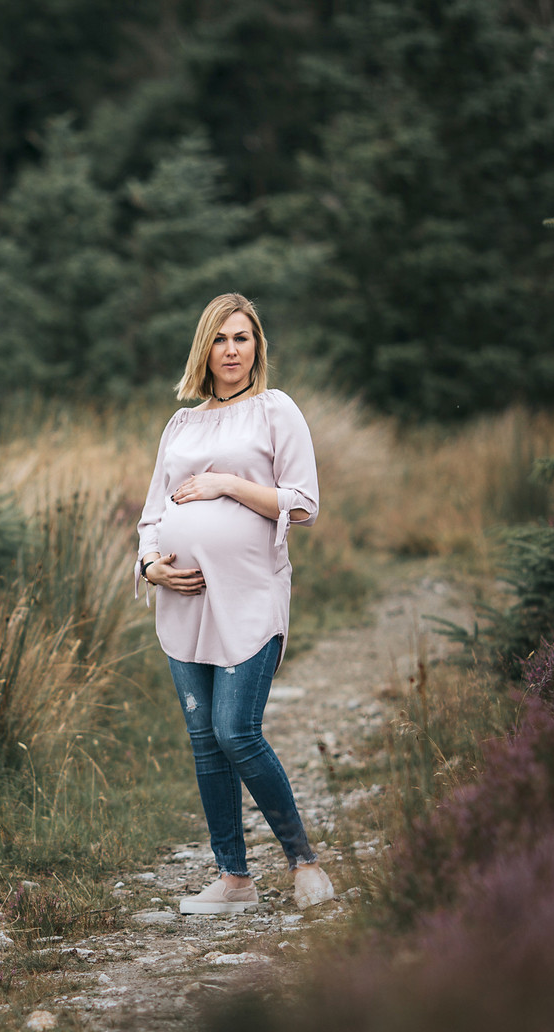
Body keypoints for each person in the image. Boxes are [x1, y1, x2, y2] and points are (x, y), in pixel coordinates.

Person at [136, 293, 337, 914]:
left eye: (242, 338)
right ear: (205, 348)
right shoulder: (182, 424)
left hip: (250, 598)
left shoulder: (275, 412)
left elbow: (302, 502)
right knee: (204, 740)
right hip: (185, 604)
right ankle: (234, 880)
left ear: (257, 348)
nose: (231, 350)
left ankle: (305, 863)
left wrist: (226, 484)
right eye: (220, 339)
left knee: (236, 732)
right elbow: (152, 515)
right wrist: (152, 568)